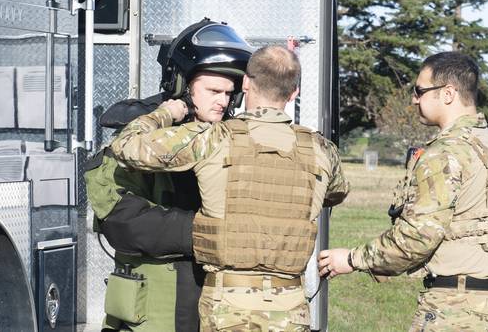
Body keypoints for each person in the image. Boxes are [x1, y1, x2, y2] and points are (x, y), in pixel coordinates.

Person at [109, 45, 350, 331]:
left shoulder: (213, 138)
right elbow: (337, 191)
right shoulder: (321, 149)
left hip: (227, 307)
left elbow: (125, 146)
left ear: (245, 84)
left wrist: (166, 112)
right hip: (290, 309)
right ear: (294, 92)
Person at [318, 51, 488, 331]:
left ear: (448, 93)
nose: (414, 99)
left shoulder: (445, 153)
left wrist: (351, 259)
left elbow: (418, 236)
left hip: (454, 308)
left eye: (419, 91)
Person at [84, 18, 252, 332]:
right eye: (214, 90)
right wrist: (207, 232)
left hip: (217, 305)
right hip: (154, 307)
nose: (223, 101)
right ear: (182, 85)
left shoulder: (230, 139)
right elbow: (120, 220)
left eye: (229, 93)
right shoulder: (140, 139)